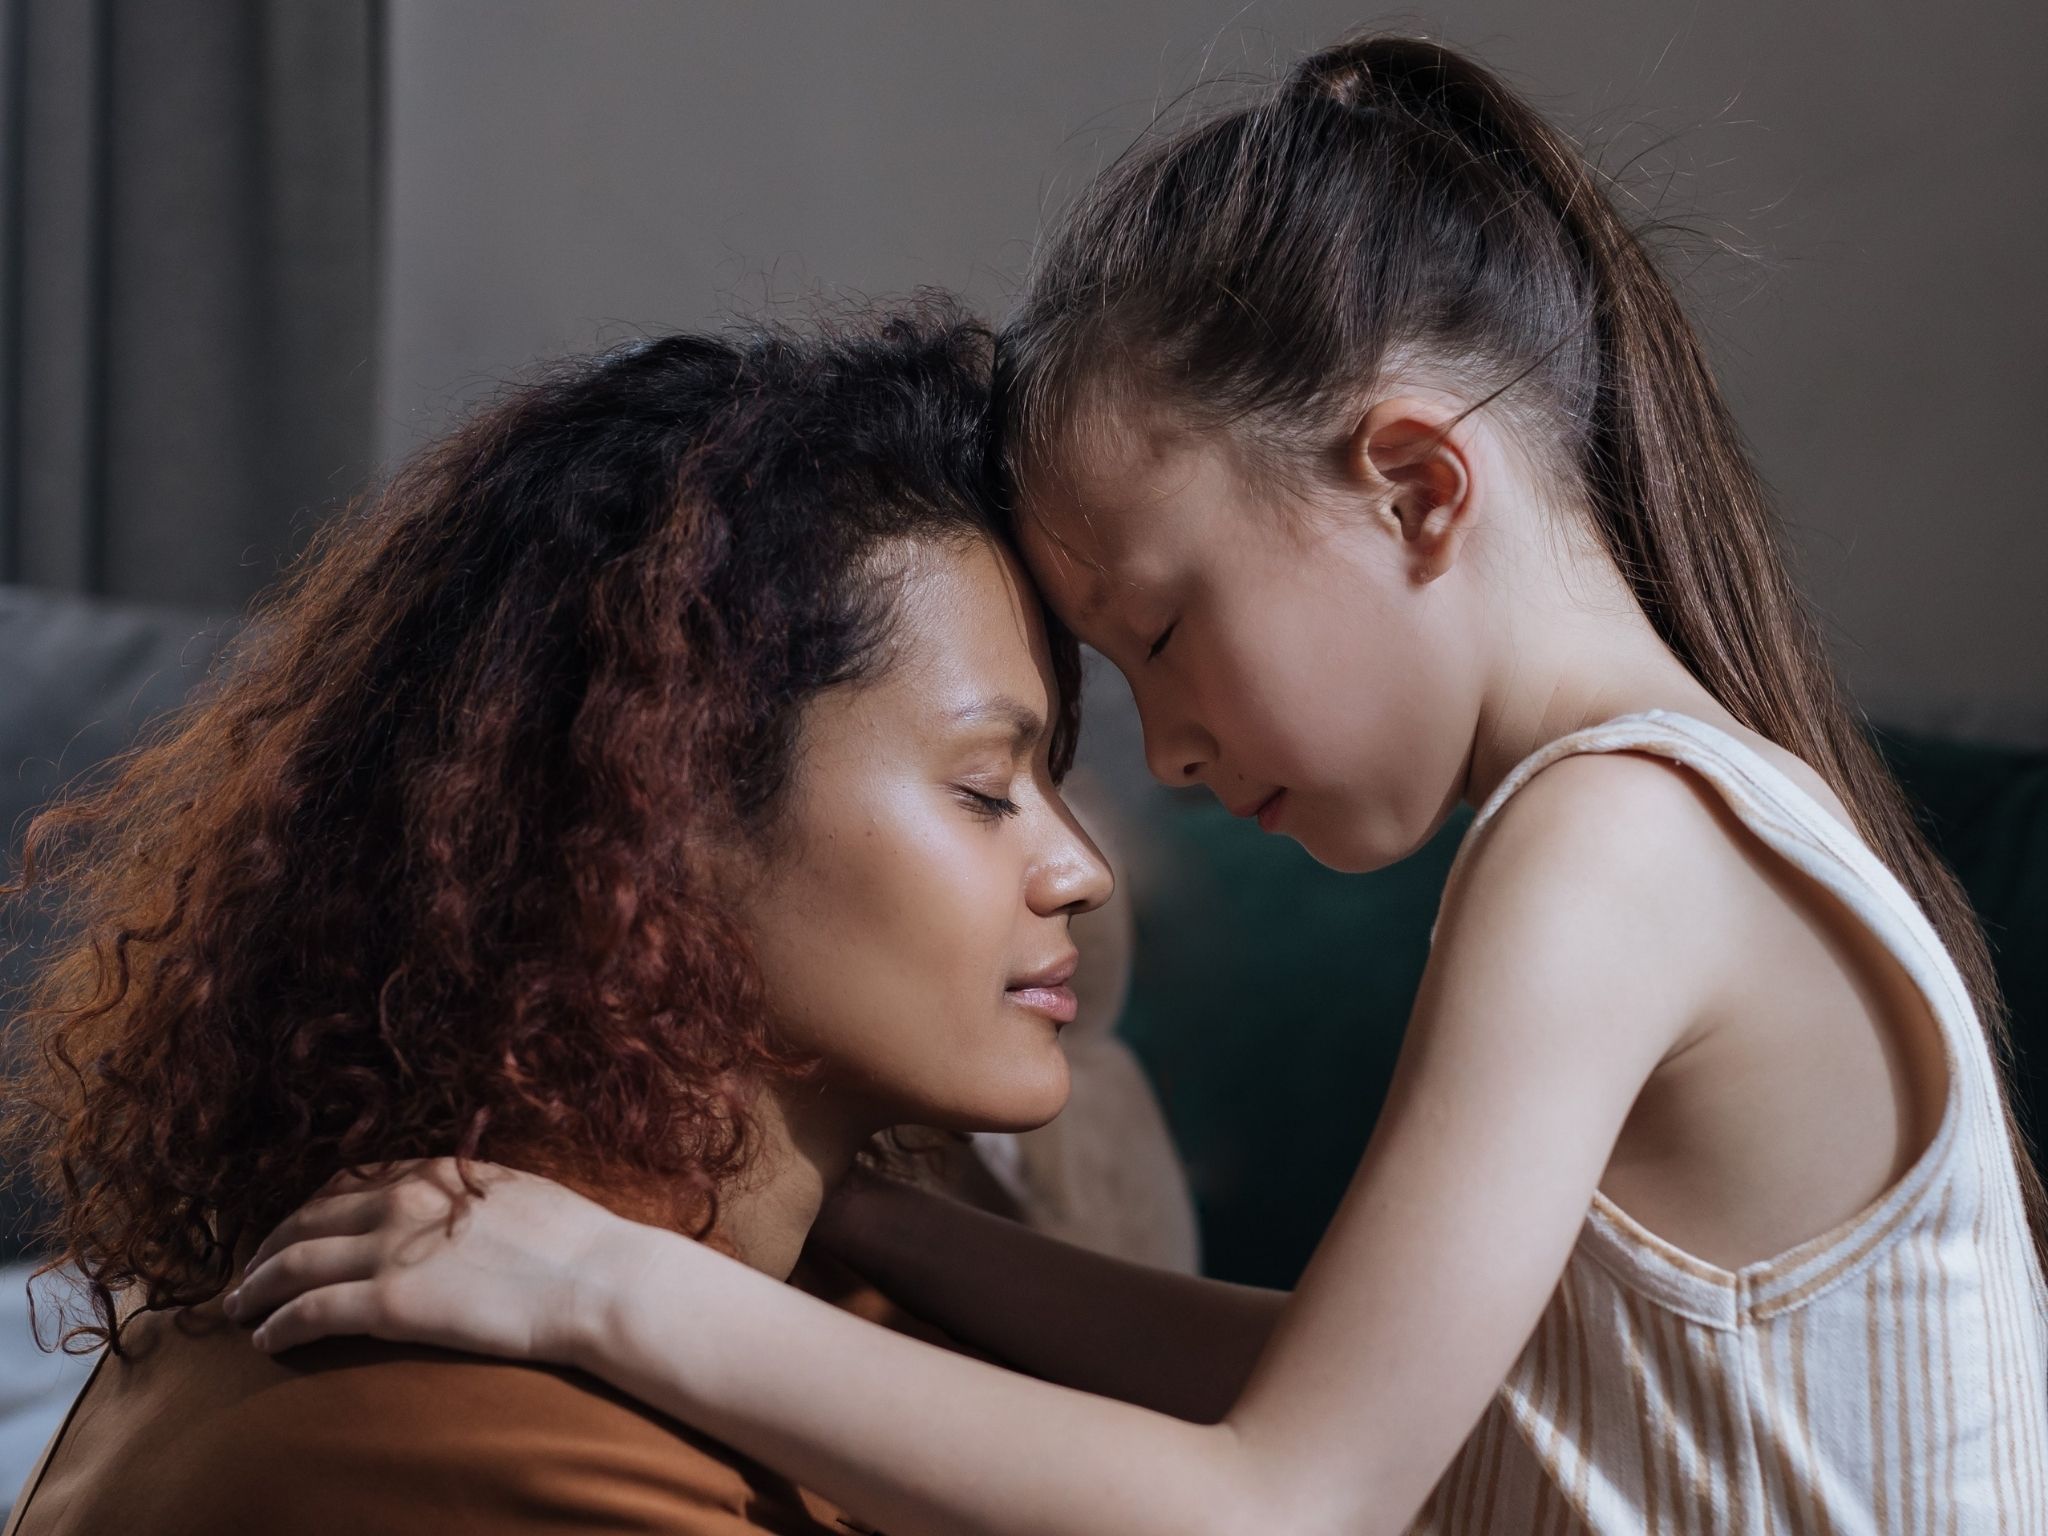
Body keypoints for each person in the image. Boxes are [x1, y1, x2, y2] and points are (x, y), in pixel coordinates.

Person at [229, 31, 2048, 1535]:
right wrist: (876, 1228)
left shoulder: (1611, 843)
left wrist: (604, 1285)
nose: (1160, 761)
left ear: (1416, 487)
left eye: (1164, 633)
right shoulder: (1664, 825)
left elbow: (1283, 1503)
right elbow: (1357, 1395)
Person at [0, 306, 1113, 1535]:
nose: (1080, 868)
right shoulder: (457, 1424)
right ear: (661, 798)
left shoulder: (795, 1301)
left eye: (1052, 781)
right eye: (983, 790)